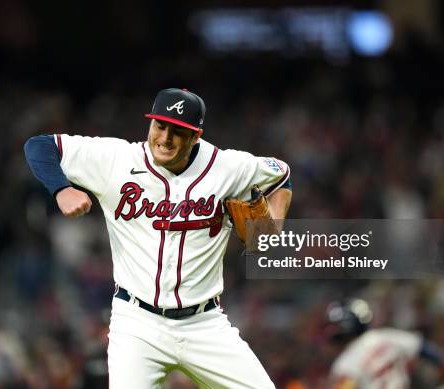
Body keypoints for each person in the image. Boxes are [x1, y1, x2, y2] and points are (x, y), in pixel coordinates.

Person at [24, 88, 292, 388]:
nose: (164, 138)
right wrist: (62, 188)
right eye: (159, 125)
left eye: (178, 131)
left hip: (204, 324)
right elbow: (39, 146)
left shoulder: (229, 167)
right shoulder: (116, 159)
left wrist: (271, 229)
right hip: (137, 323)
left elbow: (281, 175)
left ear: (196, 136)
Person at [324, 298, 444, 389]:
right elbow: (422, 347)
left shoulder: (346, 361)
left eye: (335, 326)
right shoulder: (387, 336)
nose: (332, 331)